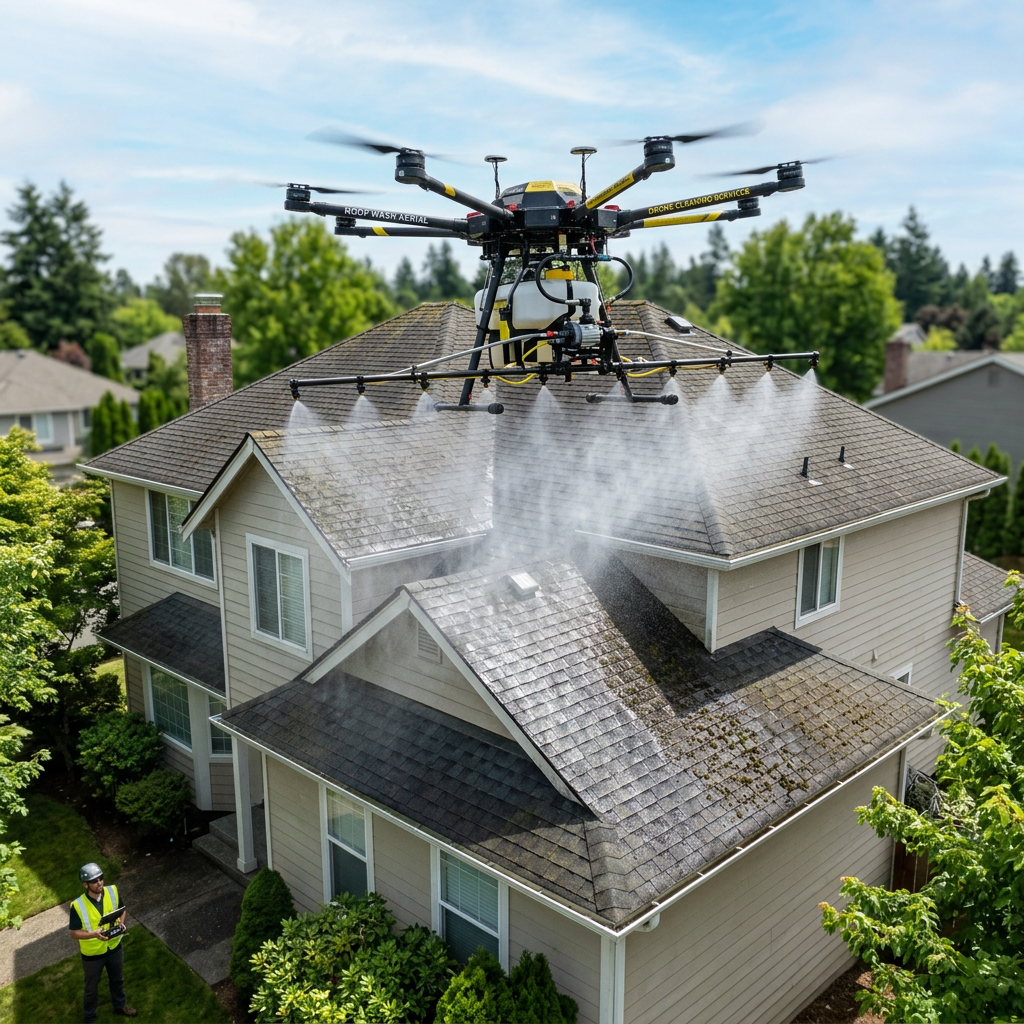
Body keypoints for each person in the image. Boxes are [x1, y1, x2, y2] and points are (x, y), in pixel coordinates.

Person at [68, 862, 137, 1021]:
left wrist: (120, 922)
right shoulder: (77, 906)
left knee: (117, 980)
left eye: (100, 878)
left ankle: (120, 1005)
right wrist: (94, 934)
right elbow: (74, 933)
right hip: (93, 955)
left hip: (114, 947)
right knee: (91, 988)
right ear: (85, 884)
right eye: (94, 881)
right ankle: (90, 1017)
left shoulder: (112, 891)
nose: (99, 882)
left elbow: (122, 909)